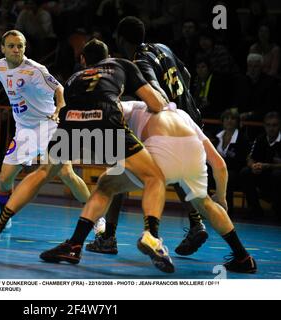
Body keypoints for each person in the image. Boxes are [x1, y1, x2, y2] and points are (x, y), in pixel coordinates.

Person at [39, 39, 171, 272]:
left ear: (84, 61)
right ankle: (88, 242)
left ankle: (149, 235)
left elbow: (149, 105)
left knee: (138, 180)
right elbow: (158, 103)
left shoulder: (114, 99)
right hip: (179, 149)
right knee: (109, 184)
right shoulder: (136, 86)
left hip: (146, 146)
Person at [91, 100, 257, 273]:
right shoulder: (182, 115)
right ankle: (243, 257)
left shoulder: (132, 108)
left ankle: (85, 242)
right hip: (191, 153)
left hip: (160, 151)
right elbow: (219, 164)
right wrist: (221, 198)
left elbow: (111, 111)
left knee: (107, 183)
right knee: (206, 203)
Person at [88, 16, 206, 257]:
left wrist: (129, 106)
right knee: (175, 175)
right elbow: (187, 75)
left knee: (120, 165)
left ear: (120, 39)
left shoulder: (139, 62)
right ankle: (196, 224)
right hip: (190, 116)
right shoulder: (162, 49)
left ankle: (109, 237)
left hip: (168, 123)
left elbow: (158, 98)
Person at [0, 30, 95, 244]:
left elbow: (59, 88)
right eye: (12, 46)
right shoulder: (2, 66)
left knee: (66, 173)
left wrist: (60, 108)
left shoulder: (35, 70)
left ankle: (97, 221)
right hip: (24, 131)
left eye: (20, 46)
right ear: (3, 49)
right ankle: (5, 220)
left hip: (48, 125)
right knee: (4, 180)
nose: (16, 49)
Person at [240, 112, 281, 218]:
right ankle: (255, 209)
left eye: (274, 125)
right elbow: (249, 157)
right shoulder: (260, 139)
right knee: (245, 172)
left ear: (279, 126)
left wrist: (269, 166)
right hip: (262, 172)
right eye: (268, 125)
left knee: (277, 175)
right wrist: (253, 165)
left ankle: (277, 210)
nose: (271, 128)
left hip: (275, 175)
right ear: (264, 126)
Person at [213, 109, 250, 215]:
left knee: (228, 176)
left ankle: (227, 210)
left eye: (233, 118)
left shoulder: (242, 139)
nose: (229, 121)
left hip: (234, 172)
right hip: (217, 171)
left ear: (237, 122)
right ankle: (206, 208)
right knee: (203, 174)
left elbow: (240, 161)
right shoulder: (217, 137)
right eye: (226, 118)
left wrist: (221, 166)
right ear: (223, 121)